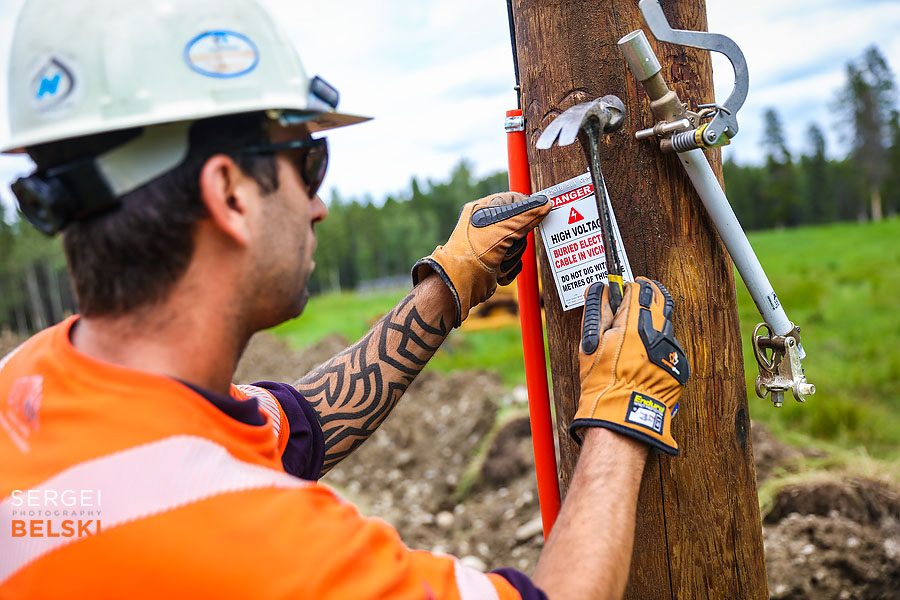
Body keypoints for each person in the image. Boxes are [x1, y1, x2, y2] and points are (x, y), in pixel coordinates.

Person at [0, 0, 689, 598]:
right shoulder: (269, 553)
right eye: (308, 163)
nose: (320, 206)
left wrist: (449, 285)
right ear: (230, 194)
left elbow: (302, 425)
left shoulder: (31, 385)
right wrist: (621, 414)